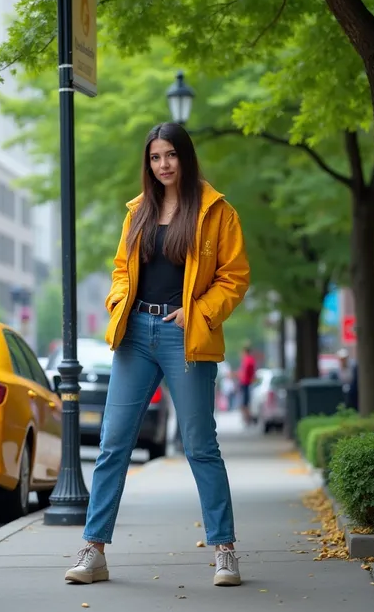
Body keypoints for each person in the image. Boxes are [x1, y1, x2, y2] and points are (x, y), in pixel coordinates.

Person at [65, 122, 250, 588]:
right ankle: (94, 551)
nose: (163, 164)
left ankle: (224, 551)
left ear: (184, 157)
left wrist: (199, 313)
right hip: (135, 335)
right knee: (112, 444)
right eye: (154, 157)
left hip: (185, 337)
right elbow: (121, 269)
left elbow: (235, 276)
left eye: (170, 155)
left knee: (200, 445)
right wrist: (116, 302)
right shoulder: (138, 212)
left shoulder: (216, 212)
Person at [238, 346, 256, 425]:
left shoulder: (247, 360)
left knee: (245, 403)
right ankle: (247, 418)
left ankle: (248, 419)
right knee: (245, 402)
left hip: (246, 383)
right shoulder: (249, 360)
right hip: (246, 383)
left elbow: (245, 372)